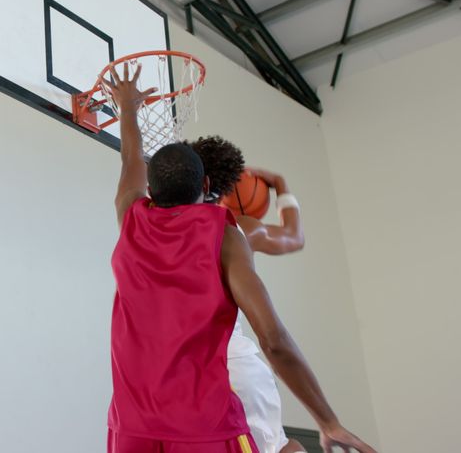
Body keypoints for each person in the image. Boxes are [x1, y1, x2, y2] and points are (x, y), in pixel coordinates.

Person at [105, 66, 375, 453]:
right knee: (287, 449)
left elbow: (130, 160)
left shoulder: (131, 217)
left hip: (131, 427)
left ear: (151, 187)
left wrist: (128, 108)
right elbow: (274, 335)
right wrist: (282, 188)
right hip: (211, 406)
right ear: (208, 185)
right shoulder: (232, 232)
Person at [190, 137, 306, 453]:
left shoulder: (153, 229)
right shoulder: (240, 228)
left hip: (193, 376)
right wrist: (280, 184)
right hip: (234, 368)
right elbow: (295, 237)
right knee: (284, 448)